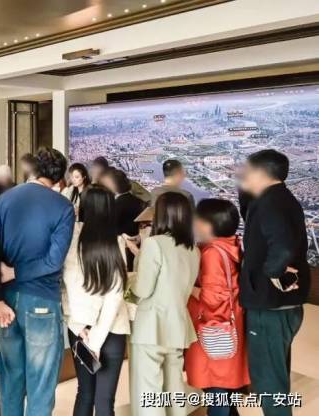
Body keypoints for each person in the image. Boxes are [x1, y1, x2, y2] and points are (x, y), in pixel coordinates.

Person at [0, 147, 74, 416]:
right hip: (42, 301)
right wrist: (17, 272)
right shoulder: (63, 207)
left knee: (11, 379)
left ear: (33, 170)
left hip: (7, 302)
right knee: (41, 384)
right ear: (59, 179)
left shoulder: (3, 201)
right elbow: (53, 261)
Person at [239, 149, 309, 416]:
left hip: (270, 309)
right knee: (276, 374)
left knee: (268, 380)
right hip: (284, 307)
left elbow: (282, 247)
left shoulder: (270, 203)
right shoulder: (282, 198)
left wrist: (273, 273)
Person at [129, 192, 200, 416]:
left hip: (151, 326)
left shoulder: (154, 244)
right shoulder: (193, 249)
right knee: (174, 386)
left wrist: (129, 283)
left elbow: (143, 290)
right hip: (178, 325)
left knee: (149, 389)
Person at [62, 185, 129, 416]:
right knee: (105, 401)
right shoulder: (116, 242)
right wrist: (97, 339)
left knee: (84, 393)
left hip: (79, 330)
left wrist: (79, 327)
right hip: (113, 330)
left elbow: (65, 288)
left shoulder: (70, 240)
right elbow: (115, 296)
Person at [184, 199, 249, 416]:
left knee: (216, 386)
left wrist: (187, 287)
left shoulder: (212, 253)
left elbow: (212, 298)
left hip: (212, 327)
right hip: (229, 324)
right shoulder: (230, 245)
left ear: (208, 224)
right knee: (225, 386)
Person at [100, 168, 145, 270]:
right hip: (137, 241)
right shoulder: (138, 201)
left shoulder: (115, 204)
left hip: (121, 245)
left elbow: (112, 226)